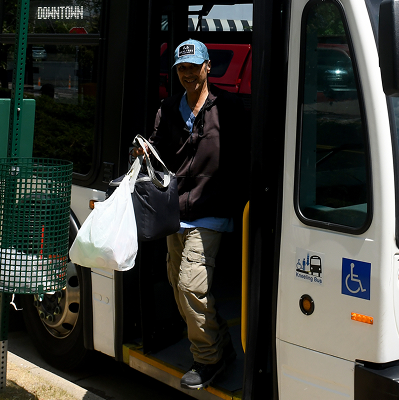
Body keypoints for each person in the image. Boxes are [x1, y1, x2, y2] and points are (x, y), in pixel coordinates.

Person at [135, 38, 247, 390]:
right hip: (174, 213)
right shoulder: (168, 109)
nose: (186, 73)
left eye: (192, 66)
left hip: (210, 211)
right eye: (180, 68)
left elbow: (245, 156)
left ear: (207, 67)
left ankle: (208, 360)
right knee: (178, 286)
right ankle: (221, 348)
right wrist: (139, 153)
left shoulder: (228, 108)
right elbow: (156, 155)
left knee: (190, 286)